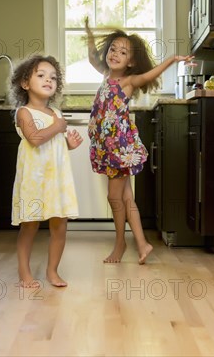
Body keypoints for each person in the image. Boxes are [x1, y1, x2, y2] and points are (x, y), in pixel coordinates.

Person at [84, 17, 193, 264]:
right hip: (107, 147)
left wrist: (173, 60)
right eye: (113, 49)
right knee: (126, 198)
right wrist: (89, 32)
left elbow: (149, 75)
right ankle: (142, 245)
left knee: (114, 198)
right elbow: (92, 56)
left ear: (131, 61)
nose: (115, 54)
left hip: (120, 148)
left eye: (123, 52)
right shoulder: (104, 75)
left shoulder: (128, 82)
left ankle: (121, 244)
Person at [9, 54, 83, 288]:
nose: (48, 80)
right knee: (29, 226)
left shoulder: (56, 114)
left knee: (60, 225)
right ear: (25, 83)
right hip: (34, 181)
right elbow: (34, 139)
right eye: (41, 75)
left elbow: (54, 148)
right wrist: (57, 127)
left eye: (53, 77)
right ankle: (24, 272)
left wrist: (68, 144)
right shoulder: (24, 113)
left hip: (56, 180)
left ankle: (52, 271)